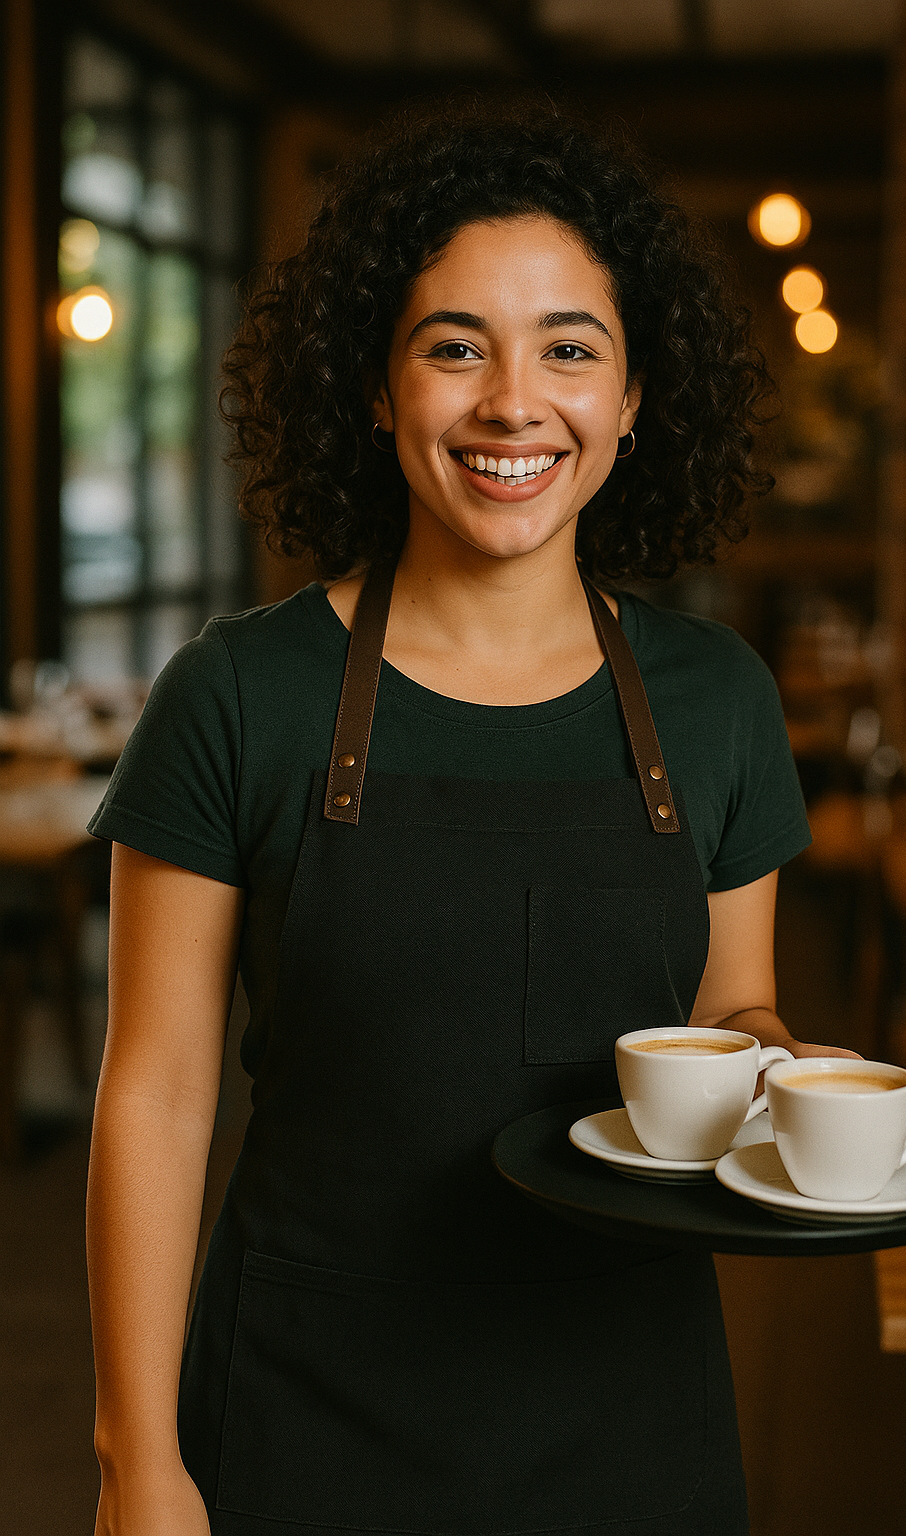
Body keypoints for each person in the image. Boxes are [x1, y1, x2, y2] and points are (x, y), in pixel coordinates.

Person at [86, 99, 855, 1536]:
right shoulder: (238, 696)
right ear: (376, 390)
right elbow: (157, 1095)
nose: (514, 402)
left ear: (636, 400)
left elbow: (739, 1002)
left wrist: (784, 1082)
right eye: (456, 347)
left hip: (631, 1411)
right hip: (305, 1404)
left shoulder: (715, 699)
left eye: (571, 347)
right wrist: (142, 1463)